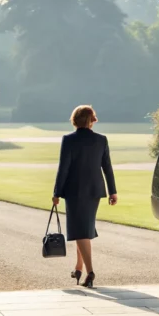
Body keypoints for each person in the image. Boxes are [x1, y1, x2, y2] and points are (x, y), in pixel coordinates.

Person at [53, 105, 117, 288]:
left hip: (75, 191)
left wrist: (56, 192)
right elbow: (107, 168)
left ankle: (90, 272)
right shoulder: (101, 140)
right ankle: (78, 268)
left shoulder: (69, 140)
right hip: (94, 191)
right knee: (83, 228)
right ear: (90, 120)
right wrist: (113, 191)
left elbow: (63, 168)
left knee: (80, 230)